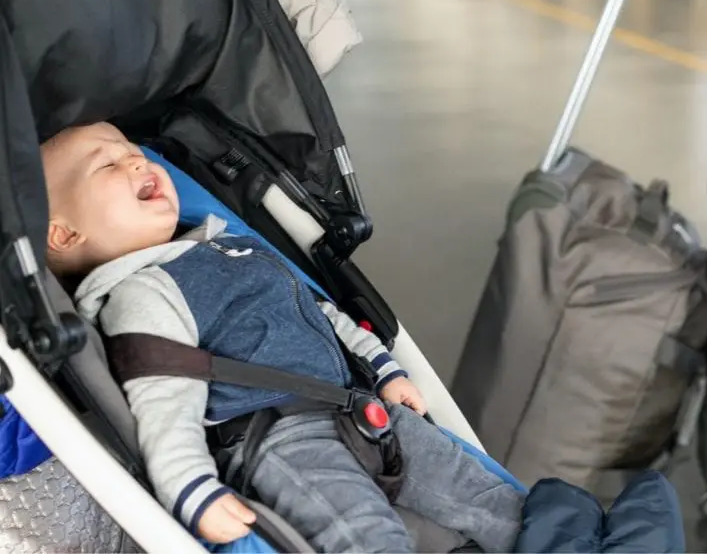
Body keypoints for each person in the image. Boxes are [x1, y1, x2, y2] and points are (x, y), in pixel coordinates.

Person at [42, 121, 524, 552]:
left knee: (493, 501)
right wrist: (190, 488)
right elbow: (165, 400)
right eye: (106, 163)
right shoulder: (142, 292)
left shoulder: (230, 247)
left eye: (134, 151)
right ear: (63, 236)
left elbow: (321, 315)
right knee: (364, 536)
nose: (132, 158)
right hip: (281, 440)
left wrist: (383, 366)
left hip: (359, 406)